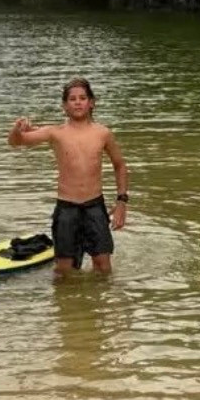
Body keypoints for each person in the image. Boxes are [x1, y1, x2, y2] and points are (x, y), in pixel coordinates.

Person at [8, 77, 129, 278]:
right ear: (65, 105)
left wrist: (122, 201)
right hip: (67, 209)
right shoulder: (55, 133)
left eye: (83, 98)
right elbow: (16, 142)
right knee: (65, 272)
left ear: (92, 102)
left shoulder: (102, 133)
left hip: (94, 207)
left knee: (103, 268)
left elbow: (120, 165)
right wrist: (17, 129)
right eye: (72, 99)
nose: (78, 102)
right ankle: (67, 305)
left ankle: (96, 307)